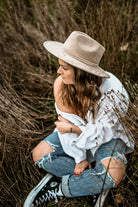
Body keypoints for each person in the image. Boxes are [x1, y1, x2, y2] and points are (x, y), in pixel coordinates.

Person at [24, 31, 134, 207]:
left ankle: (61, 189)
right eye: (60, 66)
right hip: (75, 136)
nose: (59, 71)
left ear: (82, 73)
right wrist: (79, 158)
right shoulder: (61, 84)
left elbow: (103, 133)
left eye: (65, 68)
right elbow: (65, 126)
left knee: (114, 173)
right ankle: (93, 182)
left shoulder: (115, 93)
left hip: (108, 137)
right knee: (40, 155)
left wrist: (74, 130)